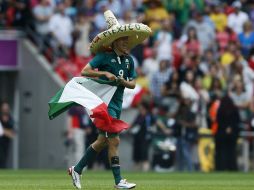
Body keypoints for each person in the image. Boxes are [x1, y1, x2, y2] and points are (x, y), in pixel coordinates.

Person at [68, 10, 151, 189]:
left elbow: (133, 84)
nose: (127, 43)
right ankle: (118, 181)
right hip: (104, 103)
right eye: (123, 40)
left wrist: (123, 81)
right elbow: (84, 71)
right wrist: (104, 73)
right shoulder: (104, 57)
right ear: (115, 41)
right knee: (114, 140)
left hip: (117, 103)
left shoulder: (129, 61)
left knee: (102, 142)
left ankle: (77, 169)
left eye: (127, 40)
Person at [0, 102, 15, 168]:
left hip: (5, 143)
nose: (5, 110)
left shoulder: (10, 119)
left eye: (6, 109)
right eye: (3, 109)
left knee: (3, 160)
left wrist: (3, 131)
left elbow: (12, 134)